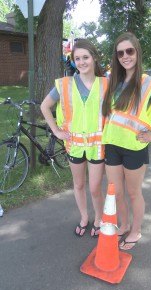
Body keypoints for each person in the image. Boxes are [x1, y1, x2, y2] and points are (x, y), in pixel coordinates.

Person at [102, 32, 151, 250]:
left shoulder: (149, 84)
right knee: (116, 192)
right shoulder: (113, 80)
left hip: (134, 148)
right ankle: (124, 224)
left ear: (137, 52)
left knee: (133, 193)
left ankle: (135, 231)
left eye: (129, 51)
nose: (125, 56)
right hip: (112, 145)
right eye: (120, 53)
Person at [41, 39, 108, 238]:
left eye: (85, 57)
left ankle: (99, 219)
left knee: (95, 187)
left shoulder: (106, 84)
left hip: (98, 146)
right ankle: (84, 217)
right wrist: (56, 131)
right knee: (78, 185)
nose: (81, 62)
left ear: (94, 58)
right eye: (77, 58)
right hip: (74, 146)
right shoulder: (64, 84)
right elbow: (45, 106)